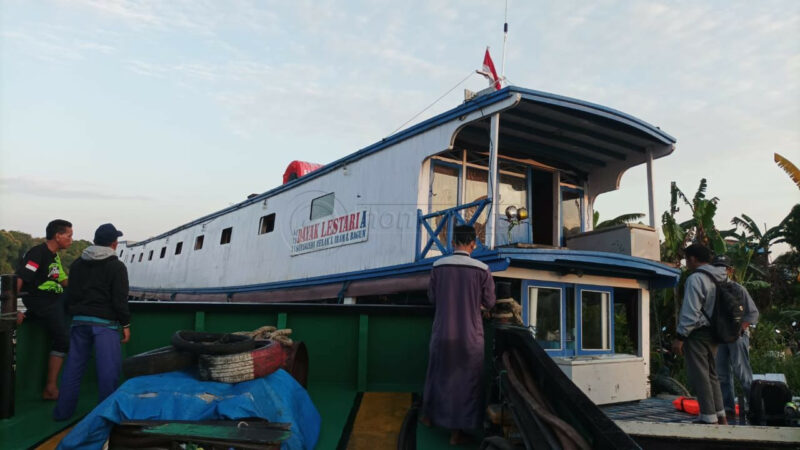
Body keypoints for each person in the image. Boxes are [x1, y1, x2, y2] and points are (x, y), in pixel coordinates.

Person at [420, 225, 496, 444]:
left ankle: (428, 417)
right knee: (467, 382)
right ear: (473, 244)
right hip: (469, 337)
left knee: (437, 374)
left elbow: (432, 298)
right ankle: (456, 433)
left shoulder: (438, 265)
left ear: (452, 243)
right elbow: (490, 302)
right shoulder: (482, 269)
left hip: (442, 332)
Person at [54, 223, 130, 421]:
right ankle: (105, 418)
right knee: (108, 373)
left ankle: (62, 413)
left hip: (79, 322)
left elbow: (71, 294)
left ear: (95, 241)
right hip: (105, 325)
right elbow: (119, 299)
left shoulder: (78, 264)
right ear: (113, 244)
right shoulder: (117, 266)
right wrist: (126, 324)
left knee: (73, 369)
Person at [15, 219, 73, 399]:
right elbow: (21, 278)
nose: (71, 240)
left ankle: (31, 315)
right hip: (43, 302)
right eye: (69, 236)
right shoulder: (37, 254)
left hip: (55, 300)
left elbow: (64, 282)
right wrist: (13, 308)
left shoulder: (55, 257)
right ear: (58, 236)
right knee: (63, 340)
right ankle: (50, 388)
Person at [671, 244, 728, 424]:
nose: (686, 263)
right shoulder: (721, 276)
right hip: (716, 332)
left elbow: (690, 311)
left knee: (700, 375)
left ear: (693, 259)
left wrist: (680, 337)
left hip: (698, 333)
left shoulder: (696, 279)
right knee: (712, 374)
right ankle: (720, 414)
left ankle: (708, 417)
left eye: (686, 259)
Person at [712, 255, 759, 422]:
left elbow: (753, 313)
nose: (720, 270)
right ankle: (729, 408)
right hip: (720, 338)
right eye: (717, 267)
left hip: (737, 338)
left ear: (730, 270)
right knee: (722, 375)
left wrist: (740, 329)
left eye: (723, 267)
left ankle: (755, 408)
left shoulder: (739, 289)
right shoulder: (712, 290)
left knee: (743, 373)